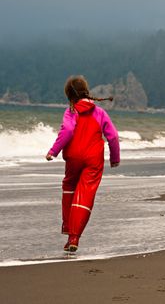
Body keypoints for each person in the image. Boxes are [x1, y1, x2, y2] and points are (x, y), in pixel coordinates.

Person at [46, 75, 120, 252]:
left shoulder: (71, 111)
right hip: (93, 160)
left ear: (70, 95)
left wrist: (53, 151)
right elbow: (113, 136)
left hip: (73, 157)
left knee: (69, 187)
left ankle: (68, 228)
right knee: (85, 194)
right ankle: (74, 237)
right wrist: (115, 158)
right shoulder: (100, 112)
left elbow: (68, 130)